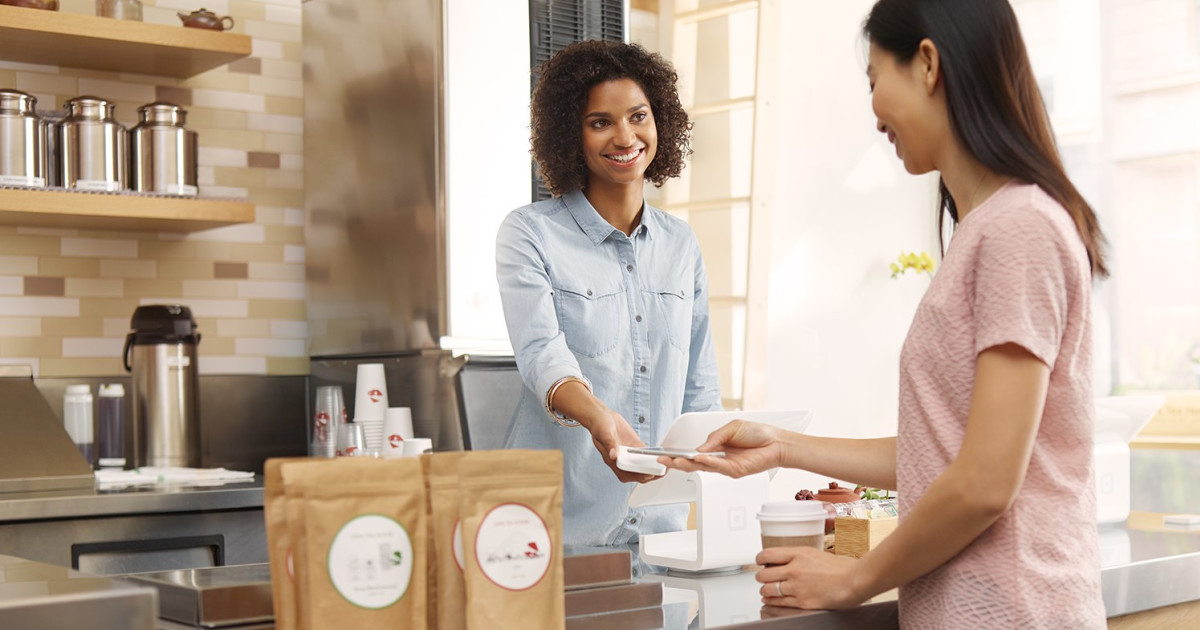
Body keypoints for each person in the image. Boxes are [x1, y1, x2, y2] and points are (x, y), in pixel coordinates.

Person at [662, 0, 1109, 627]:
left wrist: (853, 579)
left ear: (926, 63)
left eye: (875, 80)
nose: (874, 116)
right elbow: (945, 456)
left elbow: (983, 482)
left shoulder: (1019, 227)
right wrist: (781, 446)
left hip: (1013, 611)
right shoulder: (989, 228)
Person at [495, 40, 722, 546]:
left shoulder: (681, 244)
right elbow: (543, 355)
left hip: (661, 533)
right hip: (554, 533)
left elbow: (700, 388)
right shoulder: (529, 233)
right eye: (600, 122)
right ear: (570, 135)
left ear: (660, 119)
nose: (625, 136)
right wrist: (598, 416)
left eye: (638, 116)